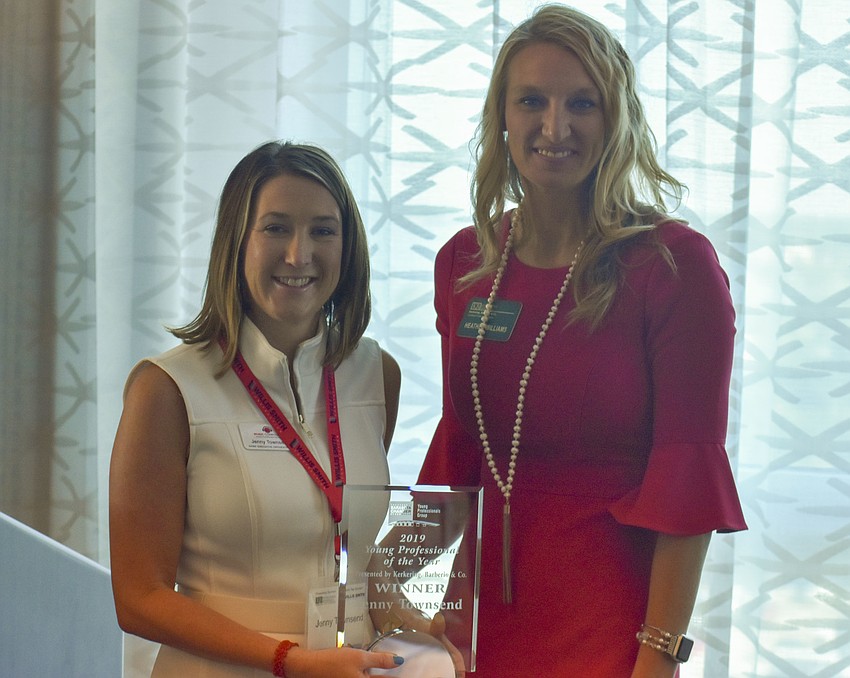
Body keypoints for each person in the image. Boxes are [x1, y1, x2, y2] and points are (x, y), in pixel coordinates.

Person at [417, 4, 747, 677]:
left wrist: (658, 659)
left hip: (607, 629)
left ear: (615, 117)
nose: (554, 127)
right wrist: (401, 617)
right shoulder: (465, 262)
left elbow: (687, 472)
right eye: (531, 100)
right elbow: (458, 448)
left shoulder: (673, 266)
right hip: (472, 627)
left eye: (582, 104)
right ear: (501, 117)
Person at [109, 141, 406, 677]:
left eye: (322, 230)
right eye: (275, 227)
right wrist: (290, 662)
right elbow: (138, 597)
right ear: (236, 240)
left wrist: (422, 637)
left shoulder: (376, 373)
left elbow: (353, 553)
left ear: (349, 245)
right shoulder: (167, 388)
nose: (299, 254)